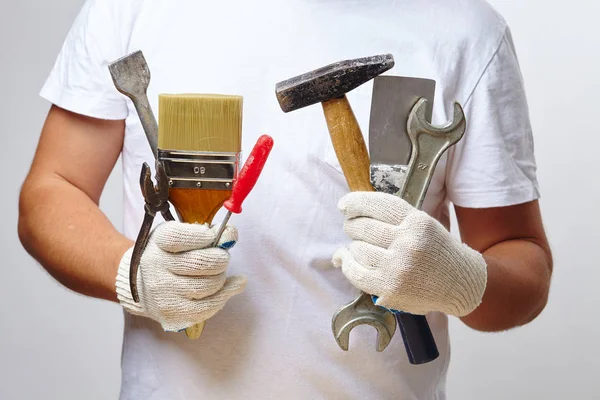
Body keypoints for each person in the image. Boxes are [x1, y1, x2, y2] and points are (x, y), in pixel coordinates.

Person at [18, 0, 553, 398]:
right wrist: (133, 273)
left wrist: (461, 278)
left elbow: (523, 262)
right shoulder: (131, 9)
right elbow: (51, 192)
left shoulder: (463, 29)